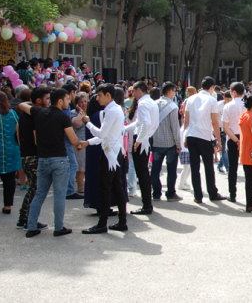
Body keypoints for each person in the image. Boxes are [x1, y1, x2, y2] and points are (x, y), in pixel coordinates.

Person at [19, 88, 82, 237]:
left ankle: (31, 226)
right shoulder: (62, 117)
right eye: (67, 99)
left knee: (39, 193)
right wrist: (80, 144)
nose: (69, 102)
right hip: (59, 159)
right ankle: (58, 227)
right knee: (59, 195)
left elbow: (23, 105)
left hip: (43, 159)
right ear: (60, 101)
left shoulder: (39, 113)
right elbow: (73, 140)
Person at [77, 84, 128, 234]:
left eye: (99, 95)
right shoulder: (114, 109)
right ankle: (121, 221)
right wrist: (88, 142)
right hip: (114, 150)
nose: (97, 98)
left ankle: (102, 223)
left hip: (110, 153)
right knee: (116, 187)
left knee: (106, 187)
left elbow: (102, 134)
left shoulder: (112, 110)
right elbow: (107, 136)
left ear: (107, 95)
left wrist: (87, 122)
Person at [184, 77, 226, 203]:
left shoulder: (190, 99)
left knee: (194, 166)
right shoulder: (211, 100)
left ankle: (198, 196)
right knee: (208, 166)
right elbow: (214, 122)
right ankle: (212, 192)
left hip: (191, 135)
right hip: (204, 136)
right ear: (212, 87)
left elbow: (186, 120)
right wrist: (218, 140)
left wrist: (185, 136)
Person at [16, 87, 50, 230]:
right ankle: (28, 219)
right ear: (38, 100)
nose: (49, 101)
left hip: (26, 154)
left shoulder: (26, 113)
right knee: (36, 189)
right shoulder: (35, 115)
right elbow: (38, 139)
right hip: (33, 155)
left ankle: (24, 218)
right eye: (47, 98)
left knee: (34, 188)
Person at [128, 81, 159, 214]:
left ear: (139, 90)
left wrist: (139, 140)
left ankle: (147, 205)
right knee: (143, 172)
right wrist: (125, 129)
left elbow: (145, 123)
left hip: (143, 139)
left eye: (133, 91)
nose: (132, 94)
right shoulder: (150, 101)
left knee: (142, 173)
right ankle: (147, 204)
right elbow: (139, 122)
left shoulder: (143, 103)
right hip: (146, 137)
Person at [150, 82, 183, 202]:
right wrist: (178, 144)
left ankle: (156, 193)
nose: (174, 93)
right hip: (170, 143)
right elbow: (175, 127)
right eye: (174, 91)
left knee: (155, 169)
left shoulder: (153, 104)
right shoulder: (172, 106)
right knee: (171, 170)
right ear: (169, 91)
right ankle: (170, 193)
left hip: (156, 142)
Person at [222, 82, 247, 203]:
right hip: (246, 137)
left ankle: (232, 194)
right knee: (249, 167)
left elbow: (225, 127)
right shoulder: (248, 105)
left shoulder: (228, 106)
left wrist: (236, 140)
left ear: (234, 92)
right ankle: (250, 194)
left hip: (232, 138)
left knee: (233, 168)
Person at [70, 92, 89, 194]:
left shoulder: (88, 112)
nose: (84, 104)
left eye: (85, 101)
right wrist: (80, 111)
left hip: (87, 141)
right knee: (80, 166)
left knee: (85, 166)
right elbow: (77, 123)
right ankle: (80, 188)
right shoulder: (74, 113)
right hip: (79, 142)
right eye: (81, 102)